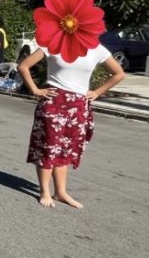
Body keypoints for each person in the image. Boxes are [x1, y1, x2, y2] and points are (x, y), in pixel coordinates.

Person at [18, 33, 124, 210]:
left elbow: (119, 73)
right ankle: (45, 191)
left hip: (79, 105)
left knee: (67, 148)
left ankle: (61, 192)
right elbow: (23, 66)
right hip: (53, 102)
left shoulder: (95, 49)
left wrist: (97, 92)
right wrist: (36, 90)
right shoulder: (53, 44)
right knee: (49, 146)